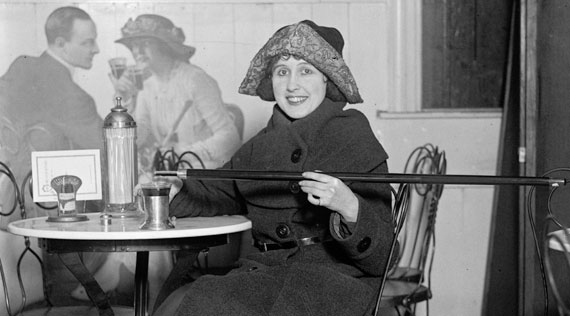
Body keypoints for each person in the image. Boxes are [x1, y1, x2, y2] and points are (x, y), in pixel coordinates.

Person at [154, 20, 396, 316]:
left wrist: (350, 207)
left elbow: (385, 257)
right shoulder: (260, 145)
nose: (292, 85)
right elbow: (217, 190)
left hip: (334, 281)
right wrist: (171, 192)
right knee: (191, 301)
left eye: (306, 71)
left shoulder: (352, 135)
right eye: (282, 71)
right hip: (265, 273)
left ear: (327, 81)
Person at [0, 5, 112, 306]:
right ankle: (80, 294)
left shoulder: (21, 66)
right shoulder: (74, 96)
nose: (96, 49)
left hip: (6, 199)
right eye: (87, 42)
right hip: (40, 209)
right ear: (60, 44)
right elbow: (108, 153)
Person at [110, 14, 241, 174]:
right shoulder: (147, 86)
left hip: (206, 173)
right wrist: (123, 100)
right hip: (170, 175)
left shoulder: (195, 79)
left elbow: (230, 138)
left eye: (144, 43)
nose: (137, 51)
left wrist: (182, 155)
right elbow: (138, 139)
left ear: (164, 45)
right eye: (133, 46)